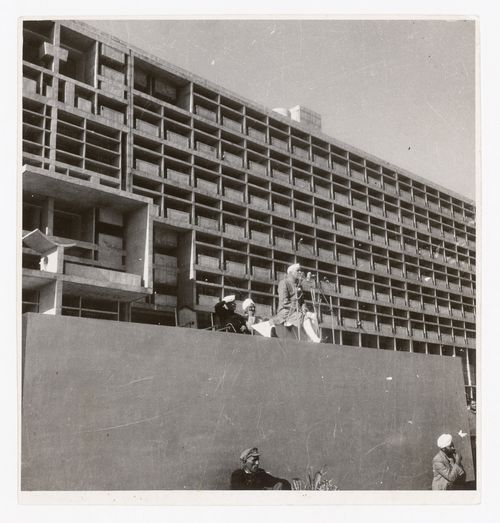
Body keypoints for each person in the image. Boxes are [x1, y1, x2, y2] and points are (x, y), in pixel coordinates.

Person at [270, 263, 320, 342]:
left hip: (297, 311)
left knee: (313, 316)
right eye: (298, 271)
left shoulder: (299, 286)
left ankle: (312, 339)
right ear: (290, 272)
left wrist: (304, 308)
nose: (300, 272)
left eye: (300, 270)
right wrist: (299, 309)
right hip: (286, 312)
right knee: (305, 317)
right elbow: (284, 302)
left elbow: (302, 301)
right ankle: (316, 340)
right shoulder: (283, 283)